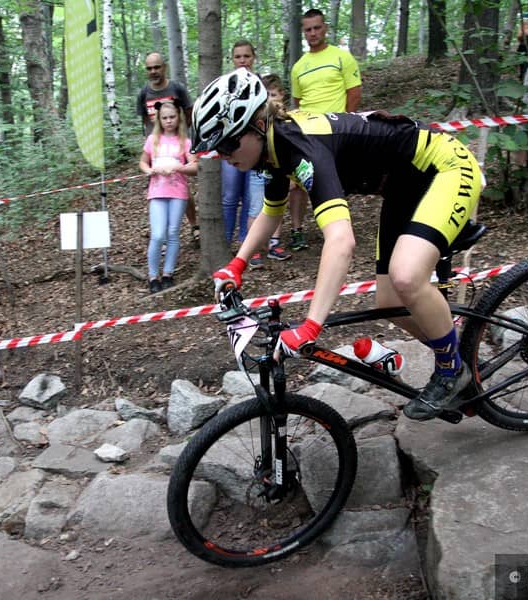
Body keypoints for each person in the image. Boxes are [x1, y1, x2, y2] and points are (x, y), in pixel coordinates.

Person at [195, 69, 483, 421]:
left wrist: (311, 326)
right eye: (217, 149)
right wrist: (236, 265)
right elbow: (271, 213)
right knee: (390, 304)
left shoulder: (300, 146)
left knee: (407, 277)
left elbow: (341, 240)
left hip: (445, 167)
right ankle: (458, 355)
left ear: (257, 125)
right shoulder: (273, 149)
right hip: (405, 185)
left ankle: (452, 370)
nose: (222, 155)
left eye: (227, 144)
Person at [288, 8, 363, 252]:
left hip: (336, 131)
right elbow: (298, 102)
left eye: (317, 28)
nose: (313, 33)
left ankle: (339, 232)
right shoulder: (298, 67)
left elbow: (354, 92)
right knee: (298, 182)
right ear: (303, 32)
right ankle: (297, 230)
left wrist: (346, 123)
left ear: (325, 28)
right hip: (307, 132)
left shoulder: (342, 57)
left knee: (336, 180)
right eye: (308, 29)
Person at [221, 41, 291, 267]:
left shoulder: (261, 85)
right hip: (231, 148)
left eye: (246, 56)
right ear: (232, 59)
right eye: (238, 56)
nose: (242, 60)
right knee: (230, 196)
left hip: (256, 148)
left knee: (252, 197)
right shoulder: (225, 86)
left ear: (253, 57)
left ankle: (247, 243)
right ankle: (225, 242)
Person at [137, 52, 199, 243]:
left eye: (157, 67)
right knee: (156, 188)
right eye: (149, 68)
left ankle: (194, 225)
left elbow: (189, 112)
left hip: (178, 145)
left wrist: (180, 135)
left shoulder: (176, 88)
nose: (153, 71)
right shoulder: (144, 93)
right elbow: (145, 119)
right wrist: (153, 139)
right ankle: (159, 231)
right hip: (156, 147)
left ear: (164, 67)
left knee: (181, 185)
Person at [138, 101, 198, 293]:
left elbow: (195, 166)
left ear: (178, 118)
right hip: (157, 191)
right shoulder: (153, 140)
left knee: (173, 232)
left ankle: (168, 273)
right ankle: (153, 275)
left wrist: (179, 167)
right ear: (159, 120)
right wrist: (149, 170)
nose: (168, 121)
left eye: (172, 117)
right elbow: (143, 162)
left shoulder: (185, 142)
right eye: (164, 118)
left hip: (178, 192)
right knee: (157, 235)